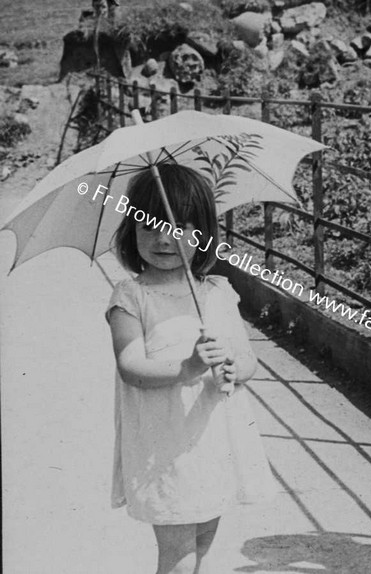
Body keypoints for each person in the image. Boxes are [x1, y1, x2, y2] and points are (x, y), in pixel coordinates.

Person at [106, 164, 275, 574]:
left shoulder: (216, 291)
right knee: (178, 554)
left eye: (180, 227)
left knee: (203, 536)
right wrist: (188, 366)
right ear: (131, 232)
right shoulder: (131, 296)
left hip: (213, 438)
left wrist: (234, 368)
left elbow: (247, 359)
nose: (165, 238)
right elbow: (132, 367)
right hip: (165, 443)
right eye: (149, 226)